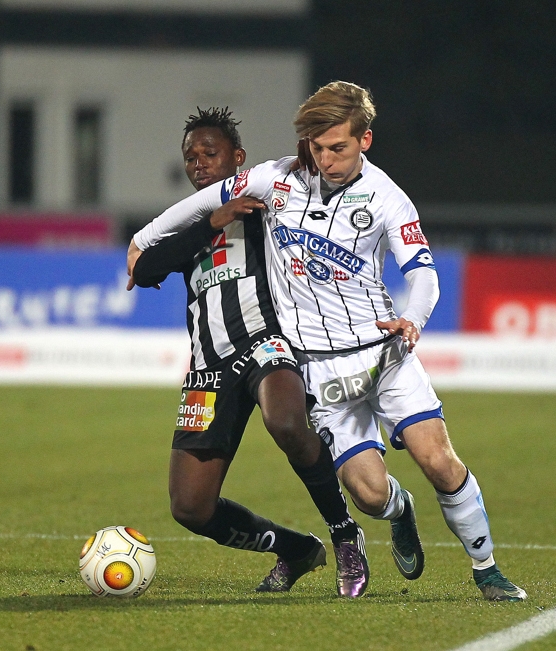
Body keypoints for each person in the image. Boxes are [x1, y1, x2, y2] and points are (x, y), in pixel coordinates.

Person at [131, 83, 527, 601]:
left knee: (437, 460)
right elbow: (184, 216)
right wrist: (151, 240)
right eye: (316, 148)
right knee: (370, 496)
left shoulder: (386, 197)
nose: (326, 159)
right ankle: (396, 511)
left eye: (337, 147)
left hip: (381, 353)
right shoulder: (275, 180)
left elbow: (423, 272)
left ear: (365, 140)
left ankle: (487, 569)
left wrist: (412, 318)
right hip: (316, 368)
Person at [128, 108, 368, 597]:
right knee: (190, 508)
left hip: (264, 342)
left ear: (237, 158)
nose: (198, 163)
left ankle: (345, 534)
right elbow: (145, 269)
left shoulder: (265, 206)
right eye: (190, 157)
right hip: (207, 369)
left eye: (209, 153)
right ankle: (297, 549)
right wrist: (209, 224)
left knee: (286, 423)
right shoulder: (187, 223)